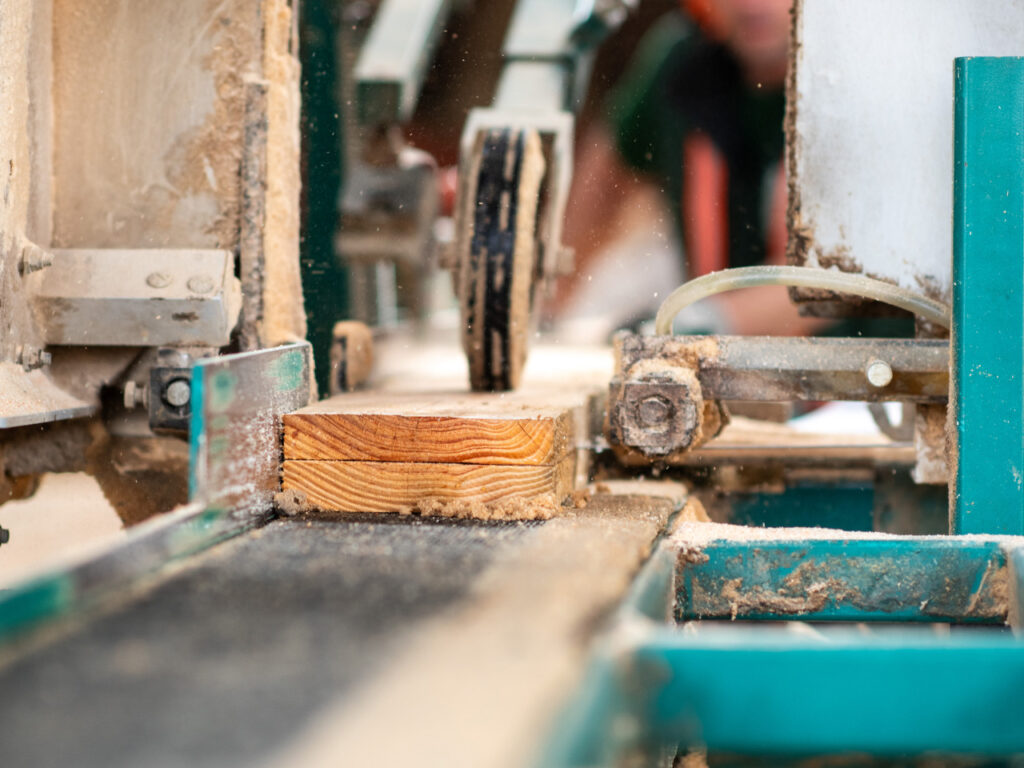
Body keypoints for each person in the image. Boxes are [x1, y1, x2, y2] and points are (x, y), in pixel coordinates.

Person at [557, 0, 826, 336]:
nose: (752, 5)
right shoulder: (684, 59)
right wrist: (554, 291)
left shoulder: (874, 77)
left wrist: (690, 327)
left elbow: (839, 283)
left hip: (865, 371)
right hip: (716, 361)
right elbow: (605, 171)